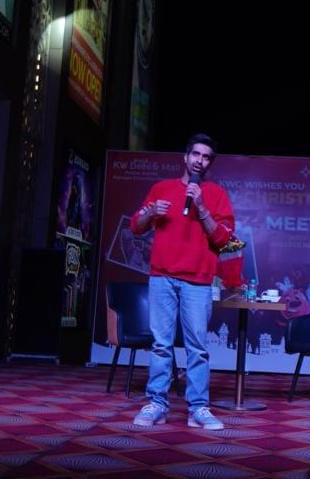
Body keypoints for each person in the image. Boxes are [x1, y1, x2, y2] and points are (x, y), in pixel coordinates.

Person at [130, 133, 234, 430]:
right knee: (161, 345)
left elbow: (224, 240)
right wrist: (151, 213)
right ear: (185, 157)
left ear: (210, 163)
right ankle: (157, 404)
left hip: (198, 281)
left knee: (197, 348)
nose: (200, 161)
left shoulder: (216, 194)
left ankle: (198, 408)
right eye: (196, 154)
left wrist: (201, 207)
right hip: (162, 277)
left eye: (206, 157)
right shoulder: (161, 188)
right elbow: (136, 226)